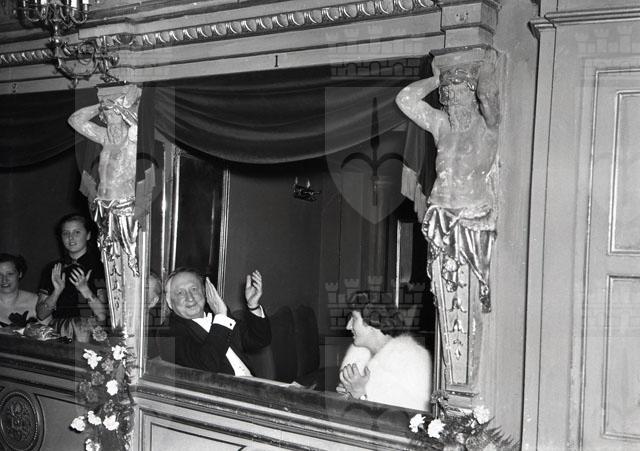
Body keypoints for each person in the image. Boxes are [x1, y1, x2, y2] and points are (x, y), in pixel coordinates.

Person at [395, 51, 500, 309]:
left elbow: (488, 96)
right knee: (444, 295)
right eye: (447, 93)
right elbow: (404, 99)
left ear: (472, 94)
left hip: (472, 217)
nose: (451, 99)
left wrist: (485, 65)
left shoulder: (487, 127)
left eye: (458, 92)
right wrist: (436, 79)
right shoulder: (442, 125)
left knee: (470, 296)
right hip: (439, 215)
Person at [156, 268, 271, 376]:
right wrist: (221, 318)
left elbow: (259, 340)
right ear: (169, 302)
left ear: (204, 292)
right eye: (180, 293)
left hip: (252, 384)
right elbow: (205, 367)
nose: (190, 298)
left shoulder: (217, 314)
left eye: (194, 289)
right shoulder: (167, 332)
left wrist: (253, 305)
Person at [337, 293, 432, 411]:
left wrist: (361, 394)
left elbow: (411, 417)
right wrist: (347, 394)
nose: (348, 326)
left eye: (354, 318)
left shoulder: (412, 360)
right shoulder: (357, 356)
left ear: (372, 321)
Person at [36, 214, 107, 339]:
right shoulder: (53, 269)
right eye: (66, 233)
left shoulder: (101, 267)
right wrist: (56, 292)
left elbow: (102, 315)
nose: (71, 237)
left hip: (90, 333)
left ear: (88, 235)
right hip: (60, 331)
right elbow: (41, 315)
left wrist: (85, 290)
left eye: (77, 232)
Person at [68, 84, 141, 201]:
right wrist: (102, 105)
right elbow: (74, 120)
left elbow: (139, 117)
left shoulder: (133, 137)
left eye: (114, 116)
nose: (111, 123)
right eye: (108, 117)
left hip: (124, 203)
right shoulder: (105, 137)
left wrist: (122, 104)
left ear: (124, 116)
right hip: (102, 202)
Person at [0, 253, 38, 327]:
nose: (4, 279)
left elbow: (50, 332)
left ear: (20, 274)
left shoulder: (36, 302)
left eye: (10, 274)